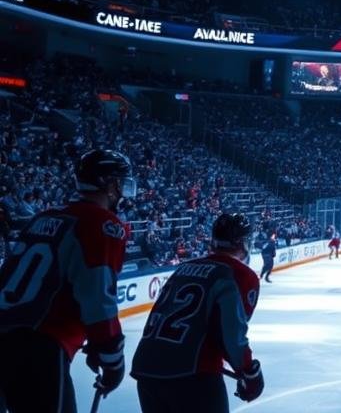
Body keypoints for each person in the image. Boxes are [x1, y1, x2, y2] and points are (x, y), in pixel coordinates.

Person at [0, 148, 134, 413]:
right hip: (39, 346)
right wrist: (111, 355)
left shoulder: (42, 217)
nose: (122, 189)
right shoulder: (103, 224)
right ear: (110, 185)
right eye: (120, 182)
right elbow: (98, 298)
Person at [132, 213, 264, 412]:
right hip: (192, 373)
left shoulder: (184, 268)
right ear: (243, 243)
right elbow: (230, 333)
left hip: (147, 368)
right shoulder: (239, 275)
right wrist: (248, 370)